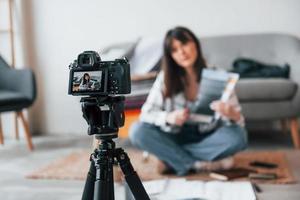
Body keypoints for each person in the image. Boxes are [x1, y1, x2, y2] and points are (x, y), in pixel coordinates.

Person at [129, 27, 247, 176]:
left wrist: (231, 114)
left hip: (207, 136)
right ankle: (198, 164)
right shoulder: (165, 78)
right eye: (175, 50)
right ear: (170, 55)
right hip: (174, 136)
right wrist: (168, 117)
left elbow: (239, 123)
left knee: (238, 136)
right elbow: (145, 115)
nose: (182, 52)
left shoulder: (219, 76)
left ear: (195, 44)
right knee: (137, 131)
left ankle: (173, 159)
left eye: (184, 44)